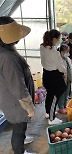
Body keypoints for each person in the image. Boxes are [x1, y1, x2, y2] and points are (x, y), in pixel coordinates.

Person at [0, 16, 35, 154]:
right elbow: (17, 84)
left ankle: (22, 140)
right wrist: (29, 105)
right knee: (19, 128)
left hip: (10, 98)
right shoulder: (7, 56)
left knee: (19, 126)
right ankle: (19, 151)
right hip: (16, 101)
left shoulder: (5, 51)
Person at [40, 29, 67, 125]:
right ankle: (51, 119)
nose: (58, 41)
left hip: (46, 73)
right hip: (54, 75)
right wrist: (64, 70)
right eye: (58, 39)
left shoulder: (43, 47)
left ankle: (48, 113)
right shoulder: (53, 51)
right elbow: (60, 66)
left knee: (50, 95)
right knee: (55, 95)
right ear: (54, 39)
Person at [57, 44, 72, 114]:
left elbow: (70, 69)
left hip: (68, 79)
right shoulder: (58, 59)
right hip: (62, 80)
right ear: (62, 51)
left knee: (67, 93)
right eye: (66, 51)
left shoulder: (68, 59)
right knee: (62, 94)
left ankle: (64, 105)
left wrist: (71, 78)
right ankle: (61, 107)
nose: (68, 53)